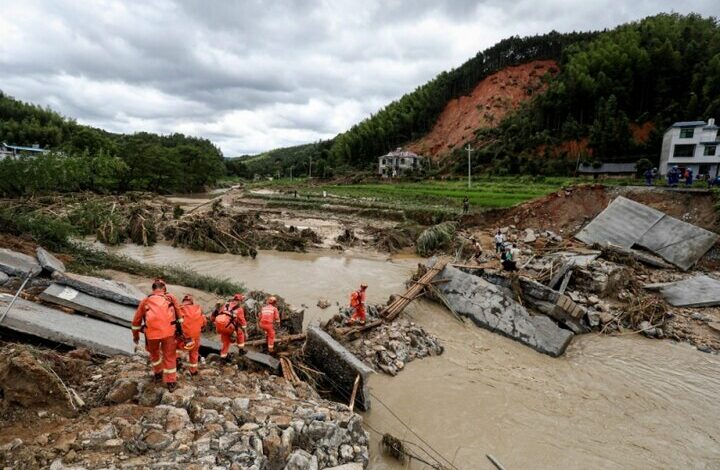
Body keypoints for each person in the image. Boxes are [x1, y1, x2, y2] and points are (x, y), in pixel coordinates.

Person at [131, 279, 183, 391]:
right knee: (169, 356)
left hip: (151, 334)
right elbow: (179, 316)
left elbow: (136, 321)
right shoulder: (170, 298)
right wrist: (181, 332)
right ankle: (171, 382)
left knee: (154, 354)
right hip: (169, 333)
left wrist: (136, 336)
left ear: (153, 289)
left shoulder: (145, 300)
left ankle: (158, 373)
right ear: (164, 289)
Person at [212, 293, 247, 362]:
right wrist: (245, 332)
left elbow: (218, 313)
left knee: (226, 342)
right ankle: (241, 350)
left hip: (220, 325)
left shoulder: (226, 304)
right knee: (240, 334)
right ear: (240, 301)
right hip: (229, 326)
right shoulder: (239, 309)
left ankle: (223, 358)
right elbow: (242, 321)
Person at [178, 294, 206, 376]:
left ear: (183, 301)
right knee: (194, 352)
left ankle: (176, 362)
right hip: (195, 338)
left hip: (183, 338)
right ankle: (193, 371)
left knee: (175, 348)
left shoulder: (179, 308)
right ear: (191, 302)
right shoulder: (198, 309)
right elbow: (204, 323)